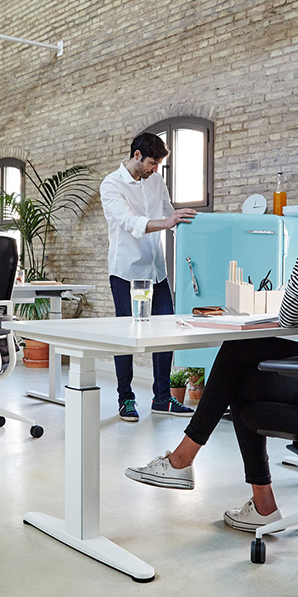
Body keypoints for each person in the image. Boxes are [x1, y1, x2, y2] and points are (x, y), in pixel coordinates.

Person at [125, 154, 298, 532]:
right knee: (242, 354)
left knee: (239, 367)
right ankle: (222, 482)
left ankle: (191, 465)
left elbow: (288, 316)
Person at [100, 132, 197, 421]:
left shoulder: (156, 180)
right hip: (126, 272)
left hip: (157, 271)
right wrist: (167, 222)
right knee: (126, 337)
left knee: (164, 333)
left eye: (158, 165)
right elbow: (129, 222)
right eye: (153, 163)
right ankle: (125, 399)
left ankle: (162, 398)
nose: (155, 169)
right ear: (137, 155)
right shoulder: (111, 184)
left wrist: (192, 228)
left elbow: (169, 214)